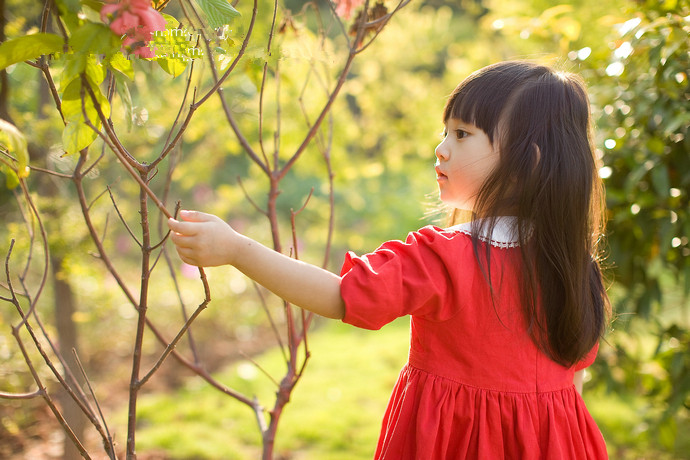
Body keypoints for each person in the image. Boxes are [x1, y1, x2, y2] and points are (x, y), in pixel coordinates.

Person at [168, 60, 611, 459]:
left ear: (524, 165)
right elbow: (574, 383)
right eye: (446, 132)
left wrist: (238, 250)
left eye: (461, 135)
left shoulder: (445, 257)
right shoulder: (573, 265)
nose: (440, 148)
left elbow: (342, 297)